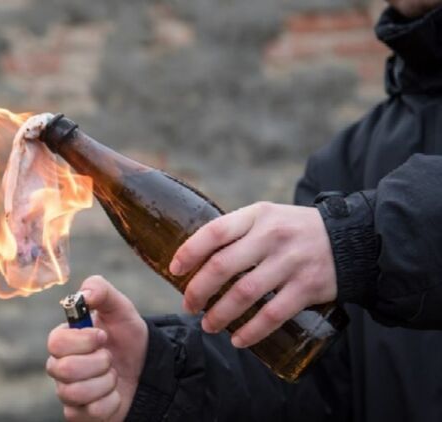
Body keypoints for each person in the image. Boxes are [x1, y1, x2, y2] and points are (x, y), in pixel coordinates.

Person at [45, 0, 442, 420]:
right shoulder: (347, 160)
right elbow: (321, 381)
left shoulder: (348, 199)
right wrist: (160, 375)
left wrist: (361, 237)